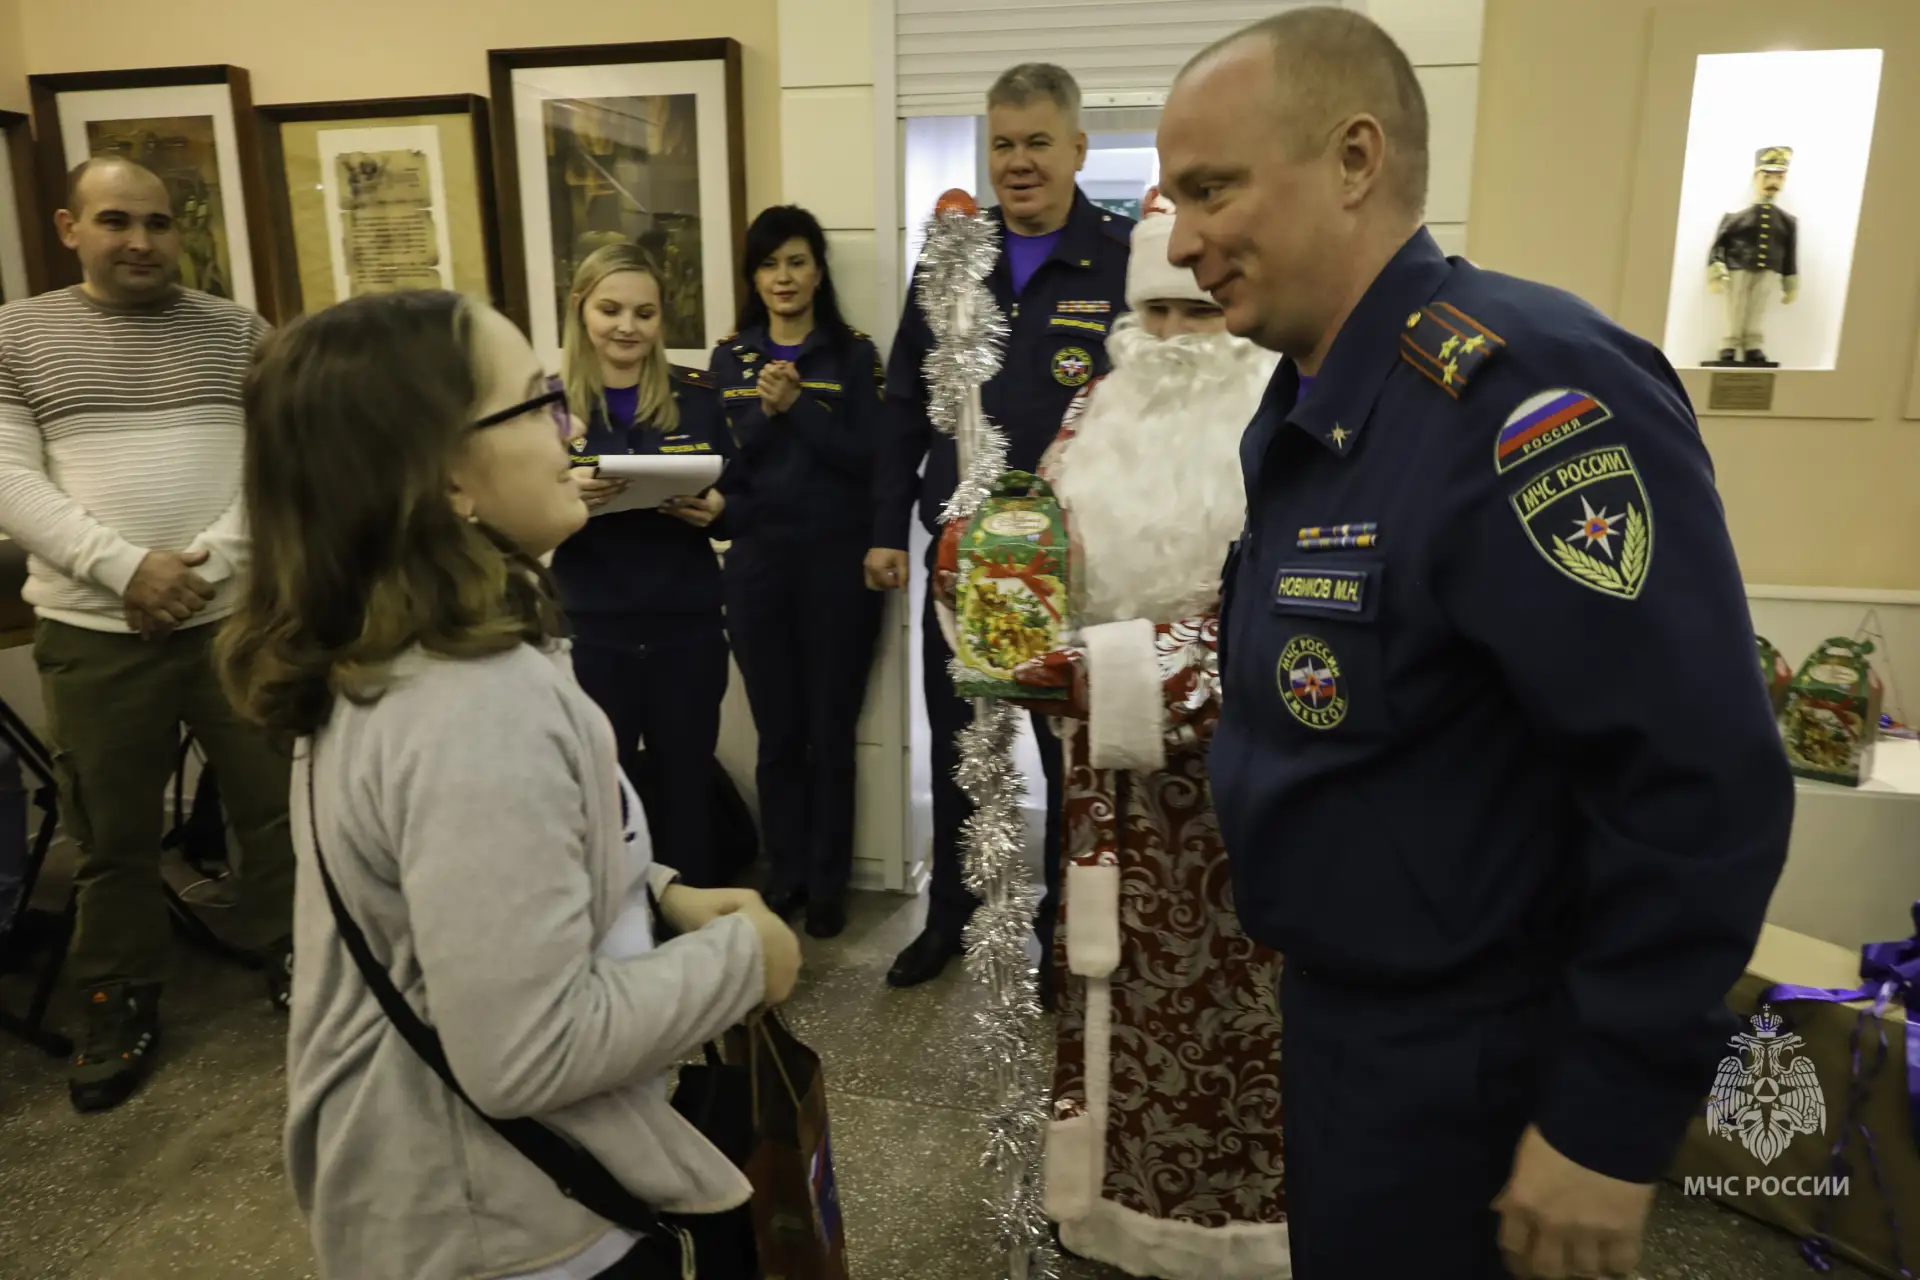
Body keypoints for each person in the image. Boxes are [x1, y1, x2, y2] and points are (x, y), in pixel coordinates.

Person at [1159, 9, 1794, 1279]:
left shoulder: (1527, 398)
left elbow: (1696, 780)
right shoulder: (1322, 399)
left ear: (1353, 160)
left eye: (1212, 190)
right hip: (1354, 1031)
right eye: (1176, 202)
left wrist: (1607, 1117)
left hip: (1484, 1067)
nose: (1180, 242)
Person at [218, 288, 802, 1280]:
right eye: (538, 402)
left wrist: (657, 891)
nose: (569, 430)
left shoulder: (404, 649)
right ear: (448, 475)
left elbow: (474, 880)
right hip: (503, 1224)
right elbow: (529, 1052)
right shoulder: (470, 703)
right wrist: (748, 959)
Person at [986, 193, 1288, 1275]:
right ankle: (1113, 1210)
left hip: (1247, 804)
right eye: (1154, 313)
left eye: (1196, 314)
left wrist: (1104, 670)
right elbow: (1035, 569)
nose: (1172, 339)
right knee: (1114, 1003)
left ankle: (1240, 1234)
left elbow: (1283, 632)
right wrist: (995, 588)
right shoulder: (1092, 415)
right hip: (1110, 802)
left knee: (1238, 1027)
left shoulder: (1287, 432)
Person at [0, 157, 295, 1114]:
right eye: (116, 220)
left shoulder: (238, 333)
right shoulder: (16, 336)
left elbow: (277, 463)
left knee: (277, 809)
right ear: (69, 227)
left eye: (159, 223)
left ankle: (302, 955)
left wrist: (204, 565)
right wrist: (125, 569)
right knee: (112, 835)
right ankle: (119, 994)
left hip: (233, 621)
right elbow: (9, 479)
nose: (141, 241)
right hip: (95, 631)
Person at [870, 62, 1133, 990]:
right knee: (962, 748)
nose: (1019, 163)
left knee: (1066, 758)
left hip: (1071, 560)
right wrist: (884, 529)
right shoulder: (953, 257)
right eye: (1004, 145)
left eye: (1038, 144)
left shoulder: (1123, 259)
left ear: (1078, 149)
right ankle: (950, 915)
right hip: (961, 558)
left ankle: (1060, 937)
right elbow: (903, 405)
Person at [710, 207, 887, 939]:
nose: (782, 278)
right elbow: (724, 464)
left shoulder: (852, 353)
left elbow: (870, 460)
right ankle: (785, 874)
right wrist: (765, 412)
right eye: (768, 264)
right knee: (778, 734)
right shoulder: (730, 358)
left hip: (837, 567)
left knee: (830, 731)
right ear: (753, 277)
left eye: (796, 262)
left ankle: (828, 883)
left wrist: (799, 409)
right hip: (758, 566)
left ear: (818, 271)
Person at [552, 244, 738, 888]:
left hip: (685, 624)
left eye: (645, 313)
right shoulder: (547, 406)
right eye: (610, 310)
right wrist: (563, 500)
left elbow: (747, 502)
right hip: (591, 629)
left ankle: (695, 924)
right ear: (581, 309)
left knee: (687, 784)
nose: (627, 327)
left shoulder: (698, 396)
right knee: (598, 792)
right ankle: (614, 926)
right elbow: (509, 520)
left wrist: (719, 510)